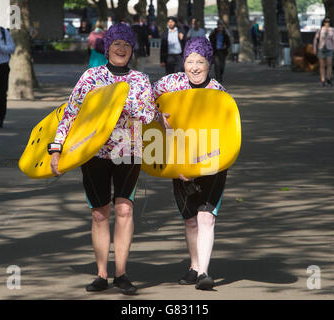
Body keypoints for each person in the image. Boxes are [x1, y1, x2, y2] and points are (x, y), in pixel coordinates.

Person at [50, 23, 167, 295]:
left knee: (125, 209)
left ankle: (122, 274)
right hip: (94, 151)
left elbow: (149, 114)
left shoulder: (139, 79)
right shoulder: (91, 77)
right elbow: (70, 114)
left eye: (127, 44)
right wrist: (56, 149)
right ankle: (102, 273)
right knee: (100, 213)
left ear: (132, 49)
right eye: (117, 44)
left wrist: (154, 116)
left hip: (129, 149)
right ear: (107, 47)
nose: (122, 48)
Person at [153, 37, 228, 291]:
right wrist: (156, 114)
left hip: (212, 160)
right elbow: (142, 101)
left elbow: (229, 131)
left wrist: (206, 164)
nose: (194, 67)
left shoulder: (218, 92)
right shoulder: (170, 83)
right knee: (190, 219)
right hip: (179, 158)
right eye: (189, 61)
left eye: (200, 61)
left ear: (209, 63)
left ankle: (205, 273)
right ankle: (194, 266)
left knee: (206, 217)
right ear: (183, 62)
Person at [313, 17, 334, 87]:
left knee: (329, 64)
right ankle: (322, 79)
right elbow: (315, 39)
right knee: (322, 65)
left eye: (328, 22)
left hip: (329, 48)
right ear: (323, 23)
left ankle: (329, 78)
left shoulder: (333, 30)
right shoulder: (320, 30)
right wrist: (315, 48)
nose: (327, 23)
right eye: (325, 22)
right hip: (321, 48)